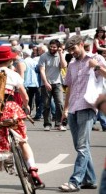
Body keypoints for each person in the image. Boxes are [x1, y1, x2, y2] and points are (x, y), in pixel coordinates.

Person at [0, 46, 44, 194]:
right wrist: (26, 106)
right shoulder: (13, 74)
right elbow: (24, 95)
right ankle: (32, 169)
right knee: (22, 141)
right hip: (10, 110)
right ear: (9, 60)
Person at [59, 35, 106, 192]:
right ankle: (90, 179)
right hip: (73, 107)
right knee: (80, 146)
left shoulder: (96, 58)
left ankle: (75, 181)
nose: (72, 52)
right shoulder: (72, 64)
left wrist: (97, 67)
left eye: (74, 49)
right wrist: (65, 109)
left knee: (82, 147)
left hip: (87, 106)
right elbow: (69, 87)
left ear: (81, 44)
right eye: (70, 50)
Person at [39, 39, 67, 131]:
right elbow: (42, 70)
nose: (52, 48)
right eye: (51, 46)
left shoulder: (60, 55)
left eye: (54, 47)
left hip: (57, 83)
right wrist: (46, 82)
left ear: (58, 48)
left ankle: (59, 123)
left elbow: (64, 66)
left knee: (60, 103)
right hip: (46, 83)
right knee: (46, 105)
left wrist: (60, 53)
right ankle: (47, 124)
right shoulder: (44, 56)